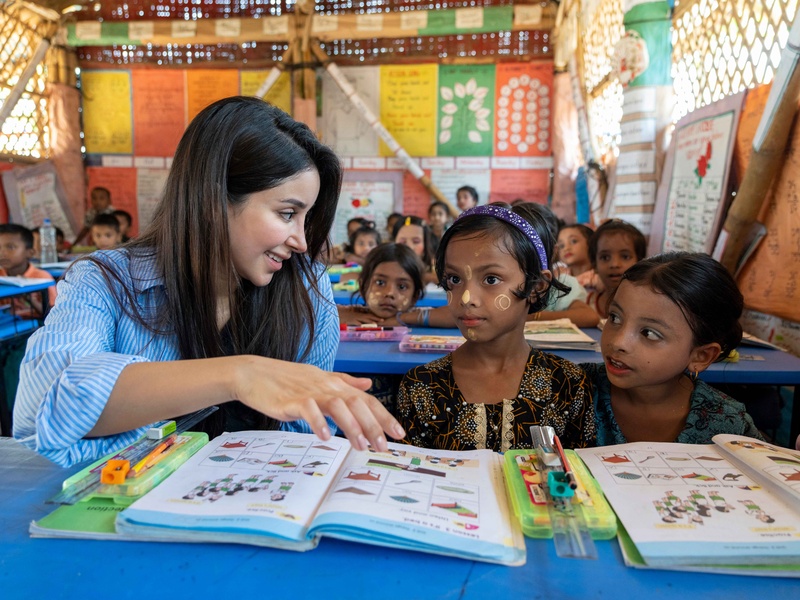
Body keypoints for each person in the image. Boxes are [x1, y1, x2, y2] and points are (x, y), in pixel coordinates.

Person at [14, 96, 403, 467]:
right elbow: (46, 407)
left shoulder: (306, 288)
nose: (301, 241)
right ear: (213, 199)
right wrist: (239, 374)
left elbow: (303, 442)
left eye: (307, 218)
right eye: (287, 214)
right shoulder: (106, 281)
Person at [395, 204, 595, 451]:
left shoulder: (566, 384)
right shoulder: (421, 386)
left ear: (537, 286)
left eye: (491, 279)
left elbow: (579, 477)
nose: (466, 297)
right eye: (454, 279)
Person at [581, 252, 763, 445]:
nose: (619, 342)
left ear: (701, 356)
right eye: (615, 318)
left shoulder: (728, 427)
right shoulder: (570, 389)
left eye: (649, 333)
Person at [338, 243, 425, 326]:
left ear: (414, 296)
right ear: (363, 286)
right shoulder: (351, 313)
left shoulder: (420, 317)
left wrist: (404, 318)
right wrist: (335, 317)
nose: (389, 293)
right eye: (380, 282)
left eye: (402, 286)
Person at [587, 219, 646, 318]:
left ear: (640, 262)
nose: (614, 264)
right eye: (605, 257)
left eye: (625, 257)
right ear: (594, 264)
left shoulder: (648, 307)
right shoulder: (586, 304)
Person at [0, 223, 57, 317]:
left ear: (30, 253)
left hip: (35, 327)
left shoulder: (43, 278)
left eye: (10, 247)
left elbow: (54, 314)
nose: (2, 253)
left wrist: (30, 299)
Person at [393, 215, 437, 284]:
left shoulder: (437, 269)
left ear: (425, 245)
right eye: (403, 242)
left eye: (416, 241)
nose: (409, 246)